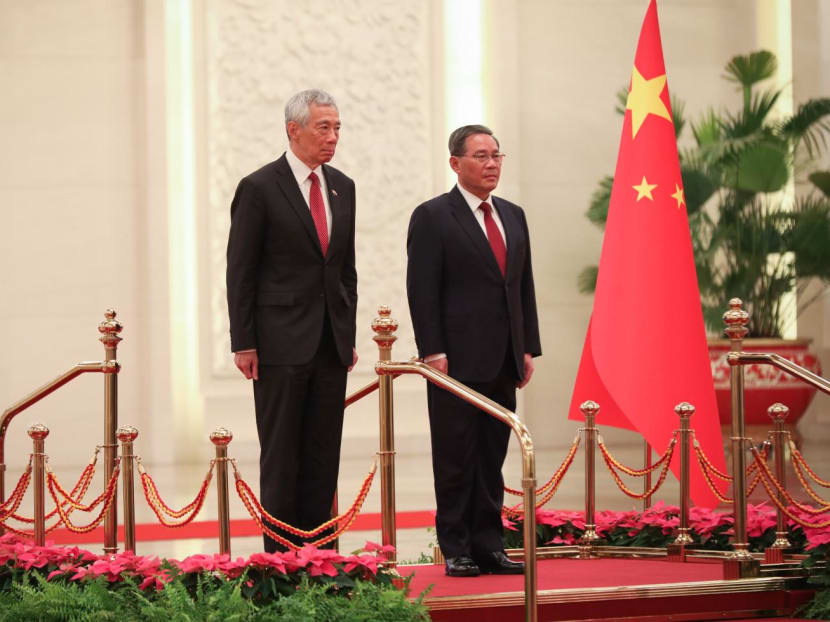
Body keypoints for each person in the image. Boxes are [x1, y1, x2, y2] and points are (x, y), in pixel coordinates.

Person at [226, 89, 358, 552]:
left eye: (337, 127)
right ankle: (282, 562)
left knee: (324, 455)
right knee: (282, 455)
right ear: (293, 129)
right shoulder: (259, 187)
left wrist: (347, 331)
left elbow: (346, 271)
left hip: (329, 344)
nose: (333, 137)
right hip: (279, 344)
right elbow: (240, 270)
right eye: (324, 127)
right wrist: (244, 341)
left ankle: (322, 558)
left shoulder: (343, 185)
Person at [406, 125, 541, 576]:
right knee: (456, 456)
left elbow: (522, 288)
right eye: (481, 156)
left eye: (497, 155)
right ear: (455, 163)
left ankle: (489, 545)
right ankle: (457, 548)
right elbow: (422, 291)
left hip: (504, 358)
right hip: (455, 362)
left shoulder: (513, 214)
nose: (492, 164)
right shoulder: (433, 217)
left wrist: (528, 348)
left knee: (492, 456)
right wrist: (432, 351)